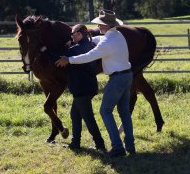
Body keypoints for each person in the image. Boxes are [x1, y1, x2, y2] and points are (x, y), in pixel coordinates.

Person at [55, 10, 135, 157]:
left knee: (105, 111)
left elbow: (89, 56)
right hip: (128, 76)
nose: (98, 26)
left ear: (105, 25)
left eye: (100, 24)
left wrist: (69, 60)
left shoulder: (107, 42)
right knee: (124, 112)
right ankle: (130, 145)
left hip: (117, 79)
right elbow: (98, 40)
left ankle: (117, 148)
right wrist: (87, 41)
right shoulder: (117, 35)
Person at [41, 24, 106, 151]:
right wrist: (70, 46)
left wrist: (45, 51)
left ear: (80, 34)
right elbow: (80, 50)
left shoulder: (74, 50)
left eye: (73, 33)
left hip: (81, 88)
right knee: (75, 115)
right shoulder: (90, 45)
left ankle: (100, 145)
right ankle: (75, 143)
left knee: (88, 118)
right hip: (89, 86)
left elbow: (59, 60)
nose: (71, 35)